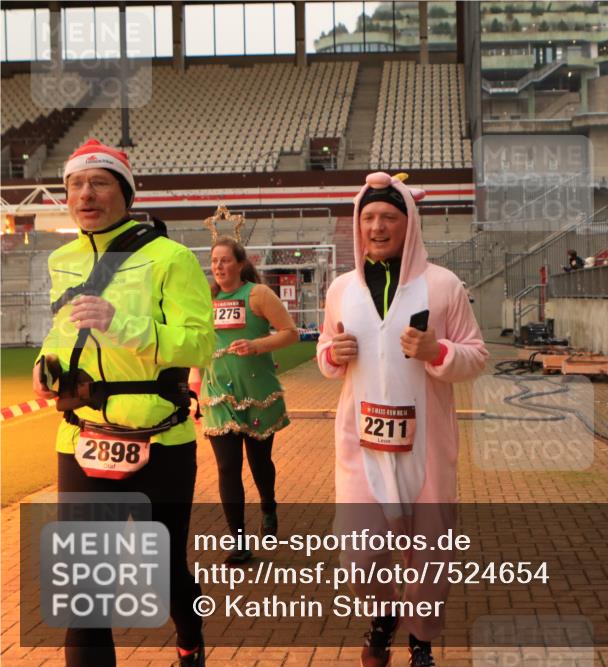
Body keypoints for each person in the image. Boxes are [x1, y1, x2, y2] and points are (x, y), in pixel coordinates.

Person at [32, 139, 213, 666]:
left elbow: (201, 344)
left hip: (160, 439)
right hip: (82, 439)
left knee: (165, 568)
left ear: (126, 193)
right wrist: (46, 368)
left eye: (100, 182)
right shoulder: (61, 259)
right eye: (75, 184)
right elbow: (62, 334)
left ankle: (190, 640)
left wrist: (124, 324)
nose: (85, 194)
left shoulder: (171, 257)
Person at [316, 172, 488, 667]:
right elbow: (327, 353)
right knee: (360, 553)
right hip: (361, 445)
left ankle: (421, 643)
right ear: (357, 224)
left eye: (388, 216)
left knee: (429, 557)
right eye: (368, 217)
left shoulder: (442, 285)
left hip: (426, 449)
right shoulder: (342, 288)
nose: (377, 226)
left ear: (408, 223)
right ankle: (382, 618)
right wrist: (332, 354)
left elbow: (475, 355)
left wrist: (440, 351)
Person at [200, 235, 297, 565]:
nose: (219, 266)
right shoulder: (204, 299)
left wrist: (258, 345)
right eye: (214, 261)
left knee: (259, 465)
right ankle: (238, 540)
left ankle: (268, 507)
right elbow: (196, 344)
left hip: (256, 393)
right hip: (216, 394)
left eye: (225, 260)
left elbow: (290, 332)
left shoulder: (258, 294)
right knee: (227, 467)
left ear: (241, 263)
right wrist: (192, 381)